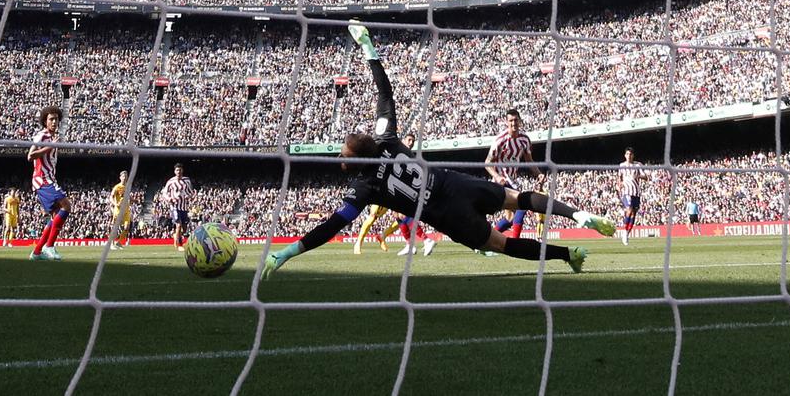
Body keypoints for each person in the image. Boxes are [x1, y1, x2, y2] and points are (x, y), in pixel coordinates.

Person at [261, 23, 613, 279]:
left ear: (354, 165)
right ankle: (579, 216)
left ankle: (569, 254)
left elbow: (332, 225)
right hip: (454, 183)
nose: (339, 158)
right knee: (519, 198)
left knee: (501, 244)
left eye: (343, 156)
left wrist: (289, 252)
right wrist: (369, 48)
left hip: (446, 215)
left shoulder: (363, 188)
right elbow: (385, 95)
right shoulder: (385, 138)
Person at [486, 109, 541, 240]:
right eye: (510, 120)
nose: (513, 123)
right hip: (501, 181)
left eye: (516, 120)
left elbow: (529, 160)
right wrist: (498, 177)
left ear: (519, 121)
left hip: (513, 180)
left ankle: (485, 241)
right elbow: (487, 162)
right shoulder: (499, 140)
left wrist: (538, 174)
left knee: (510, 218)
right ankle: (514, 244)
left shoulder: (524, 140)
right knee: (522, 206)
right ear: (506, 122)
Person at [28, 106, 71, 261]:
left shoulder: (54, 136)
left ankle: (37, 252)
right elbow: (30, 155)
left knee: (54, 217)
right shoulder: (42, 135)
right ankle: (49, 246)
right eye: (51, 119)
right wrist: (50, 147)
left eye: (56, 119)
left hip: (49, 178)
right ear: (45, 122)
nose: (54, 122)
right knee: (67, 205)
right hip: (42, 179)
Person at [159, 163, 194, 251]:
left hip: (184, 207)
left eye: (180, 170)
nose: (179, 172)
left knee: (185, 228)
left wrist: (188, 196)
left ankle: (176, 236)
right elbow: (164, 193)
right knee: (178, 225)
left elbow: (191, 192)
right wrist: (170, 199)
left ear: (182, 170)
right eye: (177, 170)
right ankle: (179, 245)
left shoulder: (187, 180)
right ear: (175, 171)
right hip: (174, 207)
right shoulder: (171, 181)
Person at [618, 147, 644, 246]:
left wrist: (637, 176)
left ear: (633, 155)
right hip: (627, 192)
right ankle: (624, 231)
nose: (629, 156)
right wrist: (620, 184)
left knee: (633, 214)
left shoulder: (638, 165)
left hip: (636, 193)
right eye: (627, 154)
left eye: (630, 154)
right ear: (625, 155)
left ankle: (627, 233)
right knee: (629, 210)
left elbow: (645, 177)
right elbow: (619, 178)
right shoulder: (622, 165)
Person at [109, 170, 133, 249]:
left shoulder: (128, 186)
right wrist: (115, 204)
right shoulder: (117, 187)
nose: (125, 177)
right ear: (120, 177)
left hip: (126, 210)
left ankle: (119, 242)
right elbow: (111, 197)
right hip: (118, 210)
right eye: (123, 176)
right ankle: (112, 244)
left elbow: (129, 197)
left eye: (126, 176)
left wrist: (131, 200)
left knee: (126, 228)